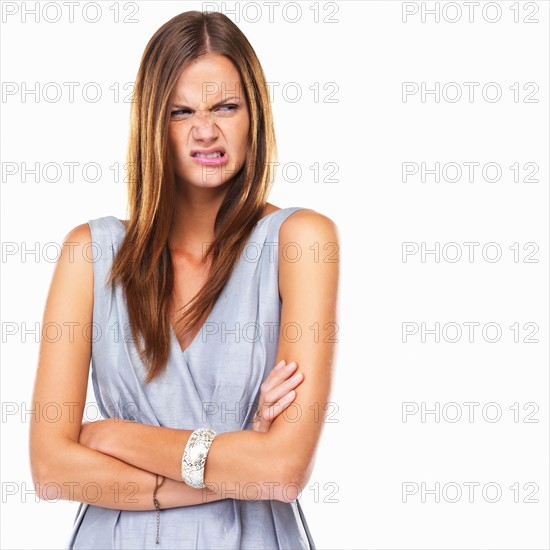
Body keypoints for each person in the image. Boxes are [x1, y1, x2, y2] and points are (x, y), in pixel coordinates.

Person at [29, 10, 339, 550]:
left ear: (254, 118)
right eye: (181, 111)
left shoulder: (302, 242)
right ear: (153, 123)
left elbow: (282, 470)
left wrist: (112, 436)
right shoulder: (89, 253)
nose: (205, 131)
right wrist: (234, 460)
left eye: (226, 107)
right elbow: (52, 467)